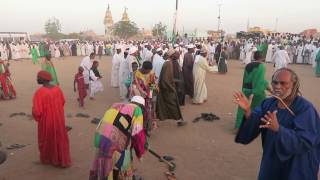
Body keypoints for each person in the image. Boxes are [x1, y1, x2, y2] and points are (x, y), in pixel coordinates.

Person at [233, 68, 320, 180]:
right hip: (272, 160)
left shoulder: (305, 109)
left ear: (294, 84)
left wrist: (279, 129)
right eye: (275, 82)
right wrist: (248, 111)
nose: (278, 86)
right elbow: (256, 121)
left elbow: (305, 141)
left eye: (283, 83)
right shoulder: (268, 104)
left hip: (296, 165)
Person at [89, 96, 147, 180]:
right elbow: (137, 135)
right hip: (113, 141)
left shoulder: (115, 105)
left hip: (100, 137)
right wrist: (140, 153)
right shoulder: (137, 110)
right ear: (142, 107)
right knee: (123, 161)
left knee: (103, 163)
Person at [32, 70, 71, 168]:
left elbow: (37, 111)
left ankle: (49, 159)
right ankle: (61, 160)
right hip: (58, 119)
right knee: (59, 138)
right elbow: (62, 102)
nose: (37, 79)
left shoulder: (39, 93)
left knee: (46, 139)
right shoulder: (57, 89)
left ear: (43, 79)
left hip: (46, 122)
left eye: (38, 77)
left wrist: (34, 114)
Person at [235, 51, 269, 130]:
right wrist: (260, 90)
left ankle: (239, 126)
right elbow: (260, 81)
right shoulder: (261, 66)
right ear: (262, 58)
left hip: (246, 89)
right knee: (261, 106)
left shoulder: (248, 65)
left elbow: (245, 78)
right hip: (255, 91)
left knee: (242, 108)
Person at [156, 49, 186, 126]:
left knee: (163, 104)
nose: (177, 55)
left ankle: (157, 119)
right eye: (175, 54)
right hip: (167, 88)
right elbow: (165, 79)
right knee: (173, 104)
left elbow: (167, 77)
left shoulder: (169, 63)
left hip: (166, 87)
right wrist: (171, 88)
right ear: (171, 55)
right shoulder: (168, 64)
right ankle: (179, 120)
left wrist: (174, 81)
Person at [130, 61, 157, 131]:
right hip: (138, 97)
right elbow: (134, 86)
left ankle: (147, 127)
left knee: (148, 112)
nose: (149, 72)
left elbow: (152, 84)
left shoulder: (151, 73)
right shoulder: (136, 74)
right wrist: (139, 97)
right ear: (143, 68)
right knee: (139, 111)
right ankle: (137, 127)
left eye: (150, 71)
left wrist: (150, 95)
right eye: (147, 71)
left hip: (148, 96)